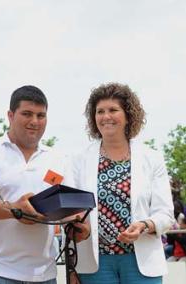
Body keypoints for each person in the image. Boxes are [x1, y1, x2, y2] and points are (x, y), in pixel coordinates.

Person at [0, 85, 89, 284]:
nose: (34, 121)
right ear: (10, 115)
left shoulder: (59, 159)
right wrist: (14, 210)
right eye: (27, 114)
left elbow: (69, 209)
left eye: (41, 115)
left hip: (45, 274)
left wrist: (78, 227)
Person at [71, 83, 175, 284]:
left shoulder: (152, 158)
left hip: (141, 264)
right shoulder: (78, 160)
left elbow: (165, 214)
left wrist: (144, 225)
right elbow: (71, 210)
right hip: (95, 264)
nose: (105, 116)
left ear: (128, 115)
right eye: (100, 111)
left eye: (113, 110)